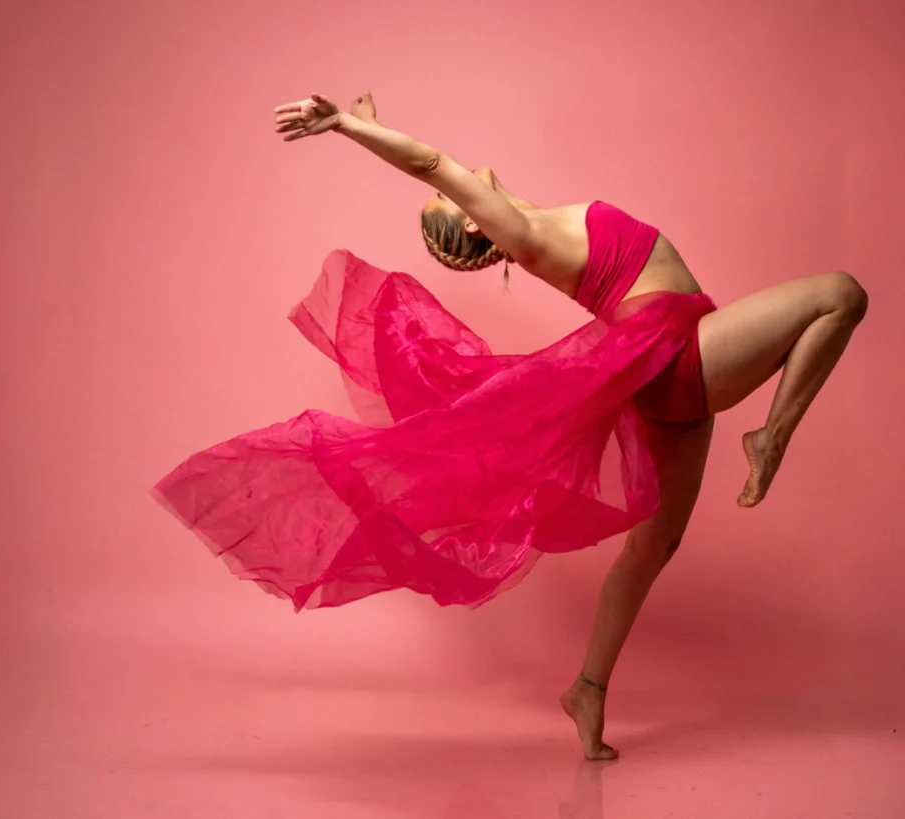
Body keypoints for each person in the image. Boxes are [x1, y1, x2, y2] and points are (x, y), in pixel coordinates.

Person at [153, 92, 867, 761]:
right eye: (454, 196)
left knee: (654, 548)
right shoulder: (522, 234)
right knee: (840, 294)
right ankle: (770, 435)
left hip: (667, 367)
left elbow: (437, 167)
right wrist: (347, 126)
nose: (458, 180)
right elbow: (428, 162)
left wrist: (373, 115)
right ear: (472, 222)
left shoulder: (526, 219)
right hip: (677, 354)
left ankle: (586, 690)